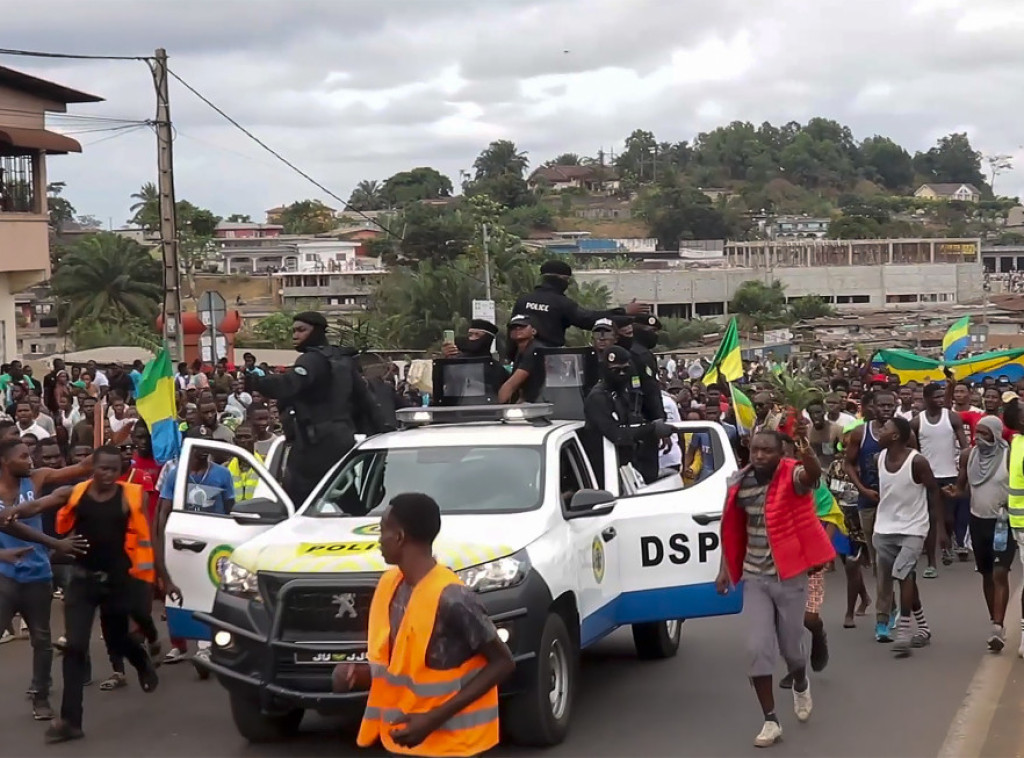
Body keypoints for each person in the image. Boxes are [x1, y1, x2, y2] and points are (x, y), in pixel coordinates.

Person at [334, 492, 514, 757]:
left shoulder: (453, 598)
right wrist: (358, 675)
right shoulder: (390, 586)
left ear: (399, 537)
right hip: (405, 741)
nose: (378, 540)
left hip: (453, 748)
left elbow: (503, 663)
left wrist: (431, 720)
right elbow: (404, 670)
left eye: (382, 530)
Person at [716, 427, 835, 748]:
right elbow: (730, 528)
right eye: (755, 450)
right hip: (756, 578)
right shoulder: (739, 483)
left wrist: (805, 448)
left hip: (790, 576)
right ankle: (770, 720)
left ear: (780, 452)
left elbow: (811, 475)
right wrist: (724, 569)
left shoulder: (791, 476)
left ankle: (800, 680)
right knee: (756, 649)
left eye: (766, 450)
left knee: (792, 649)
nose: (759, 456)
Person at [45, 446, 160, 743]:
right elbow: (40, 503)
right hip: (82, 582)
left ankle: (142, 662)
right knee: (75, 647)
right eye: (102, 468)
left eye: (114, 469)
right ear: (92, 468)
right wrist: (14, 512)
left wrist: (165, 578)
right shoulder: (77, 493)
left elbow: (148, 537)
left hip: (118, 582)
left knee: (118, 640)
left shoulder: (131, 497)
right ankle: (71, 721)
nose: (108, 474)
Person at [247, 311, 385, 504]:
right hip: (343, 442)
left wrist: (256, 381)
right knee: (346, 500)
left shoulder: (311, 360)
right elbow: (367, 402)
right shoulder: (342, 360)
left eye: (301, 330)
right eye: (293, 331)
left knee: (294, 506)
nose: (295, 335)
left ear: (317, 331)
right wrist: (384, 432)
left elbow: (289, 384)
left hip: (315, 446)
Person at [0, 439, 92, 721]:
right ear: (5, 461)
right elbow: (7, 522)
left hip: (38, 574)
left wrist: (113, 441)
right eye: (23, 456)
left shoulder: (36, 478)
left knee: (41, 638)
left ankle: (41, 696)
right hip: (4, 576)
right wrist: (55, 543)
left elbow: (83, 468)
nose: (31, 461)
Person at [874, 416, 946, 657]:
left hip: (913, 529)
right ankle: (923, 628)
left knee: (903, 574)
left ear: (895, 436)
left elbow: (934, 492)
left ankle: (904, 630)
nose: (880, 430)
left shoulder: (917, 462)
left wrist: (941, 531)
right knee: (904, 577)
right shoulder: (880, 458)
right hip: (884, 529)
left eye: (885, 428)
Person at [949, 415, 1014, 652]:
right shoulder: (969, 455)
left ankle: (997, 627)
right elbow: (961, 488)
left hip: (1002, 523)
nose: (980, 438)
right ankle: (994, 620)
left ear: (996, 434)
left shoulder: (1009, 456)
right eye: (978, 433)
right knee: (986, 574)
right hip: (978, 523)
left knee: (1000, 573)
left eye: (986, 434)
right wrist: (952, 494)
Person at [581, 346, 675, 487]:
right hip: (604, 469)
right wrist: (651, 429)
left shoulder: (622, 393)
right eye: (616, 370)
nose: (621, 374)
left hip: (625, 465)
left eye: (625, 369)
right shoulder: (598, 397)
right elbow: (616, 434)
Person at [512, 259, 643, 347]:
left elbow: (510, 333)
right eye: (567, 280)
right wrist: (624, 312)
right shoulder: (562, 303)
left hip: (520, 362)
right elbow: (589, 319)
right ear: (562, 279)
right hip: (549, 360)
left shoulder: (522, 301)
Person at [911, 382, 968, 576]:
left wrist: (963, 467)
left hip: (950, 474)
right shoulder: (917, 422)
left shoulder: (951, 417)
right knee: (932, 519)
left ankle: (948, 541)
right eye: (935, 396)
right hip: (928, 478)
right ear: (926, 399)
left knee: (949, 518)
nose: (939, 399)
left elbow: (965, 446)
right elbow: (913, 451)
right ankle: (932, 562)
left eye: (941, 396)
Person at [498, 314, 544, 404]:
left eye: (522, 326)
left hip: (541, 403)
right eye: (513, 327)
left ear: (534, 331)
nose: (517, 329)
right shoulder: (521, 351)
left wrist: (497, 411)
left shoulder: (534, 350)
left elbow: (511, 385)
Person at [226, 424, 264, 501]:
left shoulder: (266, 465)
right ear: (234, 440)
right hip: (234, 511)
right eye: (239, 437)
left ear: (255, 439)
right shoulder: (227, 467)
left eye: (247, 437)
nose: (243, 440)